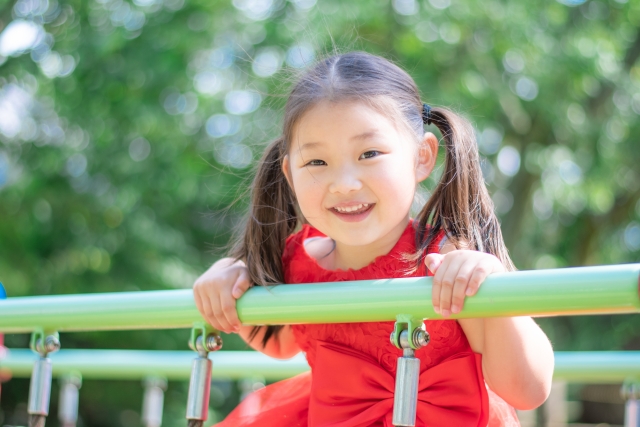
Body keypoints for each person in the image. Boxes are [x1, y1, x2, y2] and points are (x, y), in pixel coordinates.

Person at [193, 51, 554, 427]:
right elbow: (279, 343)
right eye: (316, 162)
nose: (344, 184)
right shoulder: (296, 262)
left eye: (369, 153)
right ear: (289, 173)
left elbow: (528, 389)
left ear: (422, 156)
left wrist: (490, 283)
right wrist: (231, 279)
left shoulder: (447, 262)